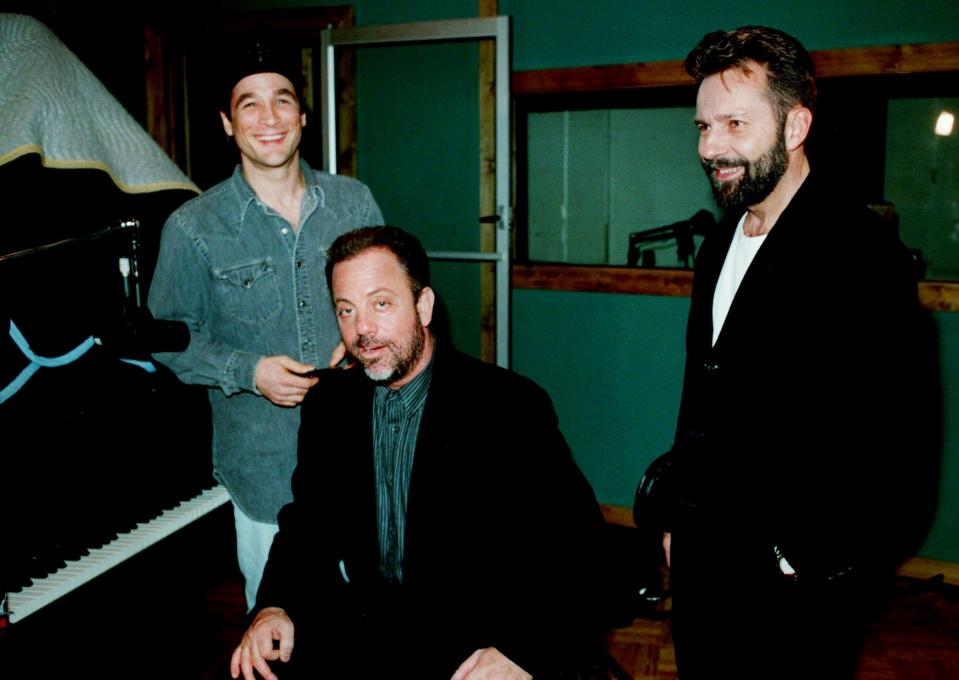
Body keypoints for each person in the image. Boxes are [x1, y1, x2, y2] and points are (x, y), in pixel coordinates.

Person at [660, 26, 925, 678]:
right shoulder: (720, 244)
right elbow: (704, 400)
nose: (710, 147)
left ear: (794, 124)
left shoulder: (861, 253)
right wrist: (678, 520)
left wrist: (809, 558)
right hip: (705, 564)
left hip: (795, 586)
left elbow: (901, 438)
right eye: (701, 126)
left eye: (732, 123)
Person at [230, 226, 606, 680]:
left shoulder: (507, 406)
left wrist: (520, 649)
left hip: (477, 637)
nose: (361, 328)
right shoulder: (331, 404)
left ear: (423, 306)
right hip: (369, 627)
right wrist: (275, 604)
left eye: (381, 303)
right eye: (346, 310)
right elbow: (307, 525)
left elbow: (579, 548)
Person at [148, 39, 383, 610]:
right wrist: (249, 371)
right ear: (227, 123)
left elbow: (386, 300)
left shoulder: (355, 203)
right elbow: (167, 338)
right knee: (282, 627)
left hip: (364, 456)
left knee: (377, 619)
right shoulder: (191, 226)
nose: (270, 118)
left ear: (303, 115)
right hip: (263, 471)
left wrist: (361, 346)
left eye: (282, 100)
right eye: (249, 104)